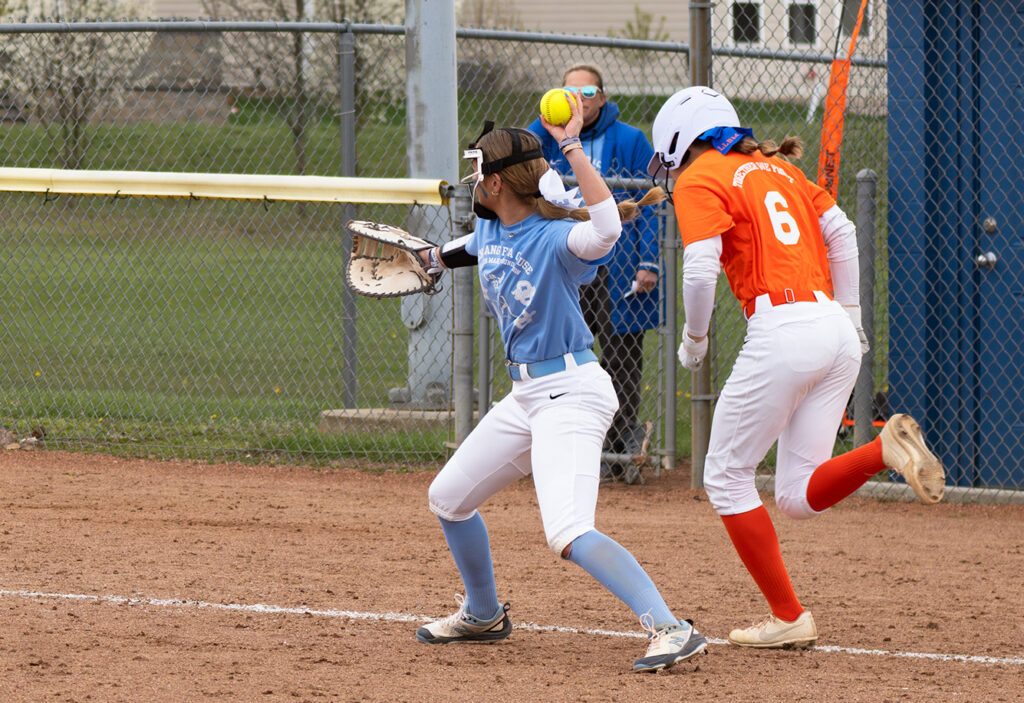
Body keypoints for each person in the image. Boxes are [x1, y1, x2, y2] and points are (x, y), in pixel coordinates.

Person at [412, 95, 707, 672]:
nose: (471, 178)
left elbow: (603, 230)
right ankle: (484, 613)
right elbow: (469, 250)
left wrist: (570, 144)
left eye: (478, 171)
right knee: (448, 499)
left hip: (572, 393)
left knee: (568, 531)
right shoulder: (492, 226)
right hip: (527, 397)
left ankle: (671, 627)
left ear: (497, 183)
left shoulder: (556, 240)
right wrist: (431, 259)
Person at [650, 86, 946, 649]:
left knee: (725, 476)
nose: (672, 170)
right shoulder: (777, 169)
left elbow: (699, 269)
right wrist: (854, 318)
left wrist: (694, 337)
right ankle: (881, 450)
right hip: (831, 325)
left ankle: (788, 616)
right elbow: (843, 232)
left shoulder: (700, 175)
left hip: (783, 328)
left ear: (683, 141)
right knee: (795, 494)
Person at [527, 64, 660, 482]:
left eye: (587, 90)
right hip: (564, 260)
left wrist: (649, 260)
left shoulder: (631, 139)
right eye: (568, 90)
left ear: (602, 97)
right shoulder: (542, 135)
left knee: (622, 353)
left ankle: (618, 447)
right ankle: (572, 442)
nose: (578, 97)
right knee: (564, 353)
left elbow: (651, 204)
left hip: (618, 264)